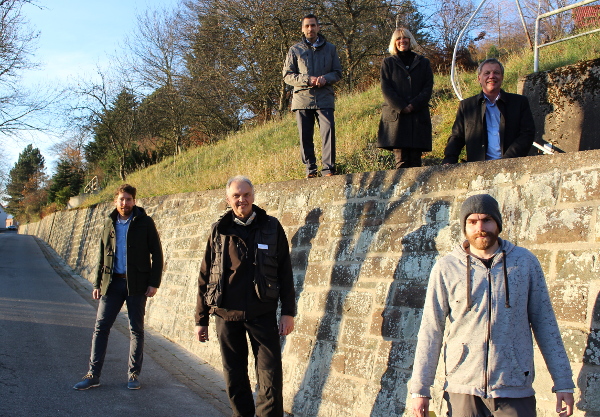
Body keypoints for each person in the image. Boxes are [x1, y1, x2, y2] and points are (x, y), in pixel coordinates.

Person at [411, 194, 575, 417]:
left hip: (514, 388)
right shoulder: (446, 268)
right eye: (472, 221)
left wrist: (563, 382)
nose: (480, 227)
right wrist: (420, 390)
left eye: (487, 220)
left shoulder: (524, 263)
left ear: (497, 223)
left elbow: (545, 324)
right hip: (463, 390)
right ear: (464, 226)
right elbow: (431, 330)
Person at [195, 176, 296, 417]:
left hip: (262, 313)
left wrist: (288, 312)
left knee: (270, 376)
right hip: (226, 315)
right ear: (228, 199)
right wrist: (201, 319)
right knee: (235, 377)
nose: (242, 200)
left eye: (246, 194)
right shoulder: (219, 230)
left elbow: (285, 271)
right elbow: (205, 274)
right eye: (236, 196)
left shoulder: (271, 226)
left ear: (253, 195)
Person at [73, 184, 163, 391]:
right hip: (112, 284)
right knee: (100, 328)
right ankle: (93, 374)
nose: (125, 203)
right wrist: (97, 283)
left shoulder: (145, 223)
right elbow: (102, 254)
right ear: (116, 201)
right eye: (121, 199)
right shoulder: (109, 223)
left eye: (129, 199)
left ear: (134, 201)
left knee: (136, 330)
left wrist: (154, 283)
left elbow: (157, 254)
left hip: (137, 285)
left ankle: (133, 374)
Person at [283, 14, 342, 178]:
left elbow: (338, 72)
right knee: (305, 137)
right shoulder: (295, 50)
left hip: (325, 98)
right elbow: (287, 76)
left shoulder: (331, 49)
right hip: (302, 99)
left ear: (318, 27)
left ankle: (328, 169)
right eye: (307, 26)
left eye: (313, 25)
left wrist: (326, 79)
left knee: (328, 132)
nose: (310, 28)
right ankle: (311, 170)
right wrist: (307, 79)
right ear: (303, 29)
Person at [443, 58, 535, 164]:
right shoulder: (467, 106)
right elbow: (457, 136)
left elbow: (527, 134)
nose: (492, 76)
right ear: (479, 78)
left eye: (496, 72)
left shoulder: (519, 102)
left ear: (502, 77)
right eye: (487, 73)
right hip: (478, 169)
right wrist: (449, 159)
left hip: (512, 165)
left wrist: (508, 160)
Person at [377, 28, 433, 169]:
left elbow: (427, 87)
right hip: (397, 119)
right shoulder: (388, 63)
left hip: (418, 116)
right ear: (394, 42)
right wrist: (402, 106)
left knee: (416, 163)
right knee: (400, 162)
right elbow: (386, 88)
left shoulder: (423, 62)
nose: (402, 41)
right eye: (398, 39)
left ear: (410, 40)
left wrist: (413, 105)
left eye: (405, 38)